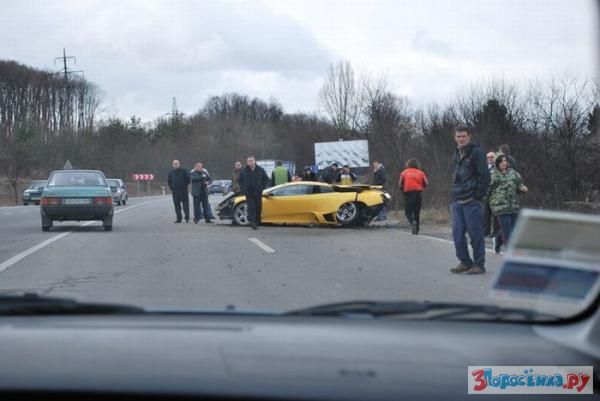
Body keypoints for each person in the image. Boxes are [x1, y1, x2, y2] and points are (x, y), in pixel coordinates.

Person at [449, 127, 491, 275]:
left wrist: (477, 196)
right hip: (457, 199)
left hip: (471, 200)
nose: (461, 139)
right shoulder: (456, 153)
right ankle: (465, 262)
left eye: (463, 136)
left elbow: (485, 176)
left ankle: (479, 264)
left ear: (469, 137)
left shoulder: (476, 152)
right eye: (458, 136)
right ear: (455, 138)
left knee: (475, 234)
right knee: (457, 234)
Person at [487, 154, 528, 253]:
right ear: (497, 163)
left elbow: (519, 185)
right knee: (507, 229)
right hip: (500, 206)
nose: (504, 163)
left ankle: (498, 240)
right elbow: (487, 190)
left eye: (505, 161)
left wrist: (522, 188)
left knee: (512, 227)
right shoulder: (493, 175)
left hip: (513, 205)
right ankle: (510, 250)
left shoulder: (513, 173)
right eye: (501, 161)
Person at [399, 158, 428, 235]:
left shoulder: (404, 172)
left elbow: (400, 184)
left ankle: (412, 222)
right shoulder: (421, 173)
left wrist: (403, 191)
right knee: (417, 212)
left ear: (408, 165)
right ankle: (417, 229)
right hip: (418, 193)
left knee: (408, 211)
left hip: (408, 194)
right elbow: (426, 183)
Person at [239, 156, 269, 229]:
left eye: (252, 161)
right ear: (247, 162)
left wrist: (262, 187)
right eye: (249, 161)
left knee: (258, 207)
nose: (251, 162)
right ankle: (252, 222)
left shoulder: (260, 170)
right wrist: (243, 188)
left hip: (258, 192)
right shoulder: (244, 171)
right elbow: (240, 180)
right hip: (249, 193)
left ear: (255, 161)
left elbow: (266, 179)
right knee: (251, 207)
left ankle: (257, 221)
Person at [482, 151, 497, 237]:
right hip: (485, 194)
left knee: (495, 215)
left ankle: (495, 232)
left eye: (492, 157)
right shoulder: (484, 168)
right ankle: (485, 231)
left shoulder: (497, 168)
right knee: (485, 213)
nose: (490, 159)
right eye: (488, 157)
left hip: (495, 194)